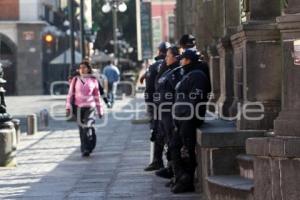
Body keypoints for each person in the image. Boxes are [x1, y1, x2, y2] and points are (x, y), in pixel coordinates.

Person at [170, 49, 211, 193]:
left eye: (182, 59)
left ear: (188, 60)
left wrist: (188, 116)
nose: (180, 61)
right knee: (174, 147)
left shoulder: (198, 75)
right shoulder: (186, 75)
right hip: (181, 118)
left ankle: (187, 180)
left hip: (189, 119)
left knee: (187, 149)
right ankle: (180, 176)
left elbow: (196, 98)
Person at [154, 46, 182, 179]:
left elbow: (177, 93)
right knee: (166, 141)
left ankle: (175, 173)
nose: (165, 58)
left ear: (175, 57)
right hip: (163, 113)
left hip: (170, 114)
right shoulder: (168, 70)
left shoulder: (177, 72)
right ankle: (170, 168)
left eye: (168, 56)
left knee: (172, 142)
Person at [66, 62, 104, 157]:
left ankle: (89, 145)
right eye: (80, 68)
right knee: (82, 129)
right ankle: (84, 149)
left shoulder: (93, 80)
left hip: (90, 107)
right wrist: (68, 107)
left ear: (88, 69)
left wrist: (100, 110)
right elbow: (70, 95)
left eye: (84, 67)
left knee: (87, 126)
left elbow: (97, 96)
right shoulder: (75, 80)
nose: (82, 69)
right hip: (78, 107)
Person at [143, 41, 171, 171]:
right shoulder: (175, 64)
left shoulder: (154, 66)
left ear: (159, 51)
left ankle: (157, 160)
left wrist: (149, 105)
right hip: (173, 104)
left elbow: (149, 89)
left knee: (157, 131)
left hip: (157, 104)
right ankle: (169, 164)